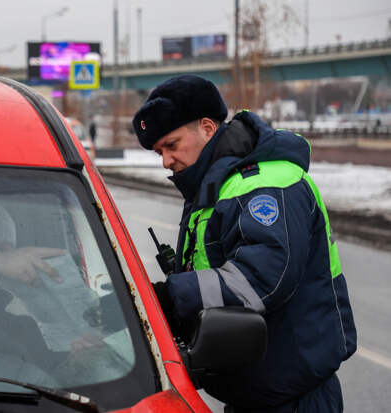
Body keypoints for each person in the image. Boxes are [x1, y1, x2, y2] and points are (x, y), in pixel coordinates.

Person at [131, 75, 356, 412]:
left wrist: (171, 296)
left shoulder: (265, 184)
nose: (165, 161)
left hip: (294, 401)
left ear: (207, 128)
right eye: (159, 152)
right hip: (256, 394)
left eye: (172, 145)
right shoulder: (216, 186)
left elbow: (260, 281)